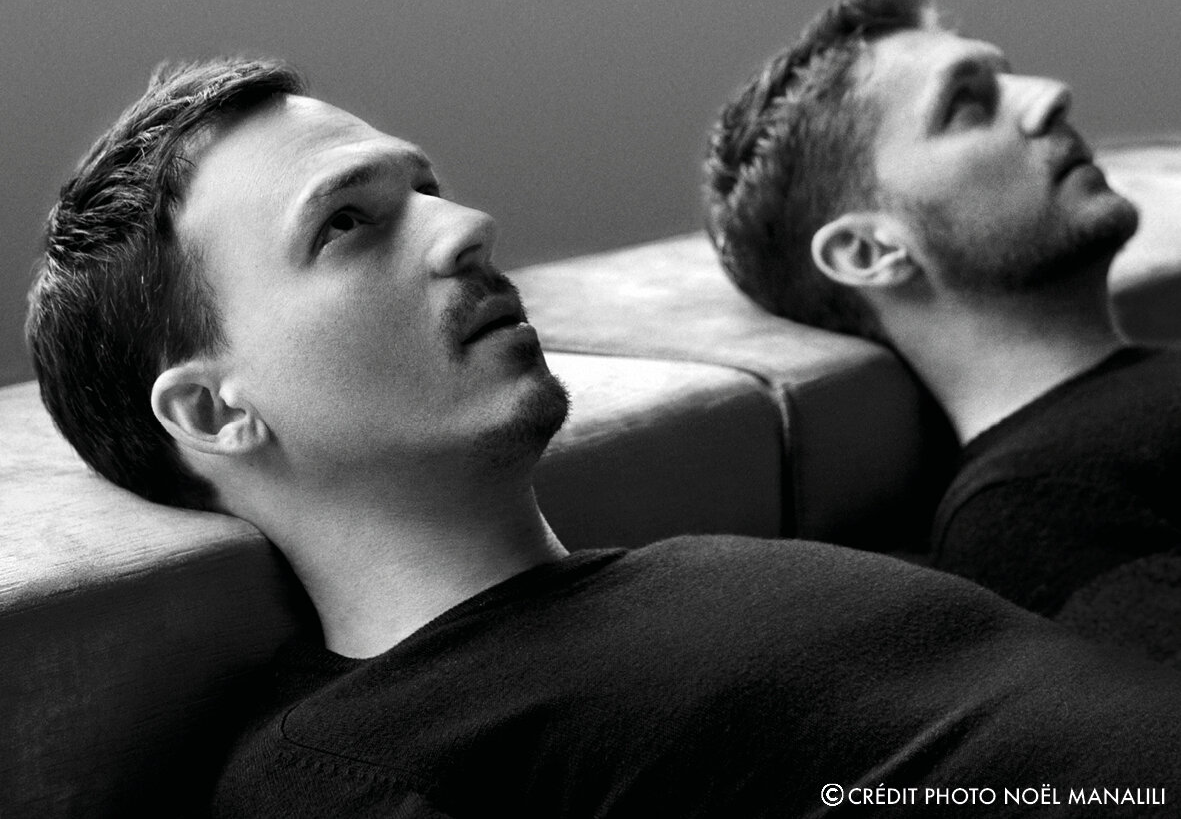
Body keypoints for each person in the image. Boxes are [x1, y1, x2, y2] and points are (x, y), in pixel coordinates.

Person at [27, 57, 1181, 818]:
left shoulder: (695, 573)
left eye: (425, 188)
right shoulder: (353, 761)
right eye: (345, 223)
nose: (465, 226)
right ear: (215, 411)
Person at [706, 0, 1181, 665]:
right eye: (966, 104)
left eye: (1006, 77)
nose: (1050, 95)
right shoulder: (1032, 509)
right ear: (869, 250)